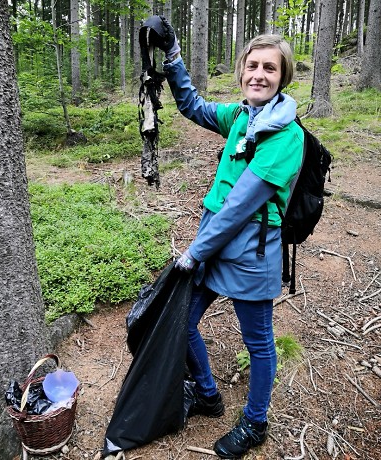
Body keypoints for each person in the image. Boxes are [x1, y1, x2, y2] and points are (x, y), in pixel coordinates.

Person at [144, 16, 304, 459]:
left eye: (270, 68)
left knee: (258, 342)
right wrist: (173, 57)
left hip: (251, 250)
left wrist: (194, 252)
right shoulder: (238, 117)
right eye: (252, 66)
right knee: (184, 320)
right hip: (211, 242)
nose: (259, 75)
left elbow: (240, 205)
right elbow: (193, 106)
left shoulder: (287, 136)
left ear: (282, 76)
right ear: (241, 72)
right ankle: (209, 395)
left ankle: (255, 423)